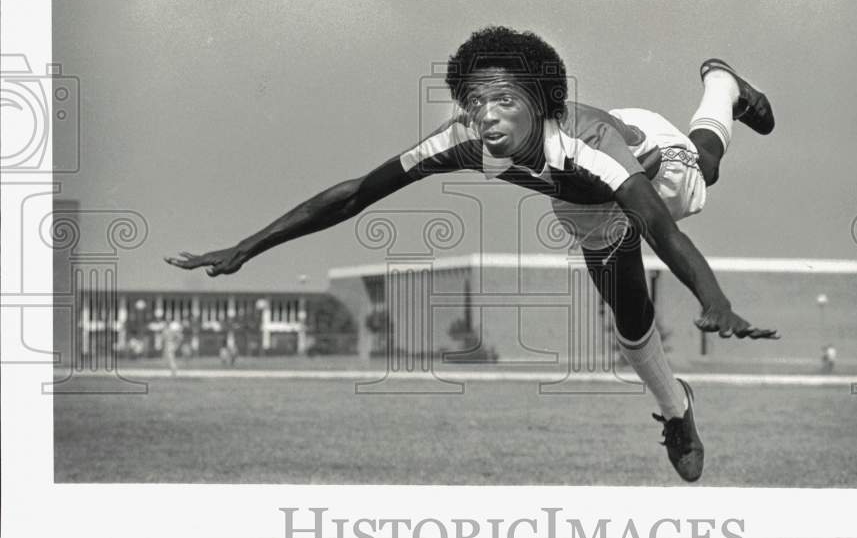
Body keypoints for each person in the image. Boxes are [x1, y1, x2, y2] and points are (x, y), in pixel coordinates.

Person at [166, 26, 779, 482]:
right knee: (629, 316)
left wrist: (715, 299)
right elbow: (355, 194)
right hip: (580, 203)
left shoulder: (588, 145)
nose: (486, 115)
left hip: (643, 159)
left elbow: (660, 231)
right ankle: (678, 412)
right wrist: (247, 246)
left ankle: (720, 85)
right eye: (476, 100)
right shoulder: (463, 141)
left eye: (504, 101)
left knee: (699, 180)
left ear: (540, 102)